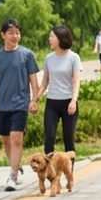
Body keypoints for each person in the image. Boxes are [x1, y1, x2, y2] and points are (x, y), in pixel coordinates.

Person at [0, 19, 40, 191]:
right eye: (11, 33)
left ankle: (13, 176)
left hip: (20, 104)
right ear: (3, 35)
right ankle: (17, 167)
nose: (15, 36)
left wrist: (34, 99)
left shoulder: (27, 55)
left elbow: (33, 79)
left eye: (17, 33)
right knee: (6, 140)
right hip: (2, 105)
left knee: (16, 138)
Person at [38, 25, 83, 155]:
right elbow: (45, 82)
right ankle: (51, 172)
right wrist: (35, 99)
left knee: (68, 139)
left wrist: (74, 100)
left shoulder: (74, 57)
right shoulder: (49, 58)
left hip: (69, 103)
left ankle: (70, 173)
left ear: (60, 38)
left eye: (52, 36)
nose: (49, 39)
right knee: (49, 137)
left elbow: (76, 81)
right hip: (52, 102)